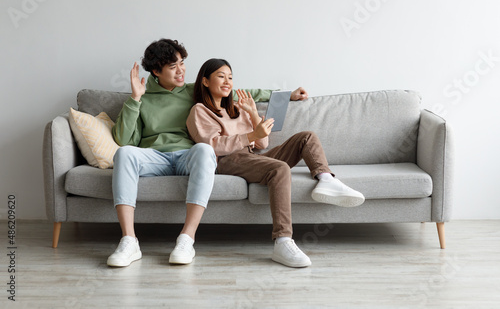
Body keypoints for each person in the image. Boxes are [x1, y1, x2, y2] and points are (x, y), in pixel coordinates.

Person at [107, 39, 308, 267]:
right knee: (123, 153)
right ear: (156, 71)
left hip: (189, 155)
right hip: (155, 157)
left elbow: (239, 92)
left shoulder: (194, 91)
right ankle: (129, 241)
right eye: (172, 67)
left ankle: (186, 239)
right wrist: (135, 98)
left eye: (182, 63)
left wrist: (285, 95)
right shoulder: (142, 97)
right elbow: (124, 139)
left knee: (204, 148)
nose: (181, 70)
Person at [186, 58, 365, 268]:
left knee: (306, 137)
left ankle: (326, 178)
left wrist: (252, 113)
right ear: (205, 81)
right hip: (228, 160)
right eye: (221, 76)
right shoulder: (199, 111)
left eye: (231, 77)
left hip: (251, 156)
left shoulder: (237, 107)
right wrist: (251, 134)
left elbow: (262, 142)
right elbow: (213, 145)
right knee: (280, 168)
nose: (227, 81)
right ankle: (283, 241)